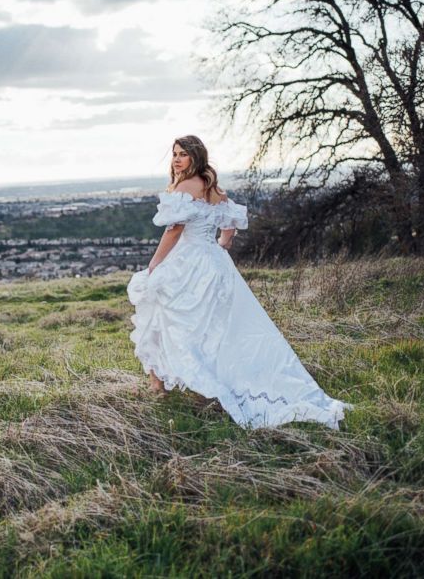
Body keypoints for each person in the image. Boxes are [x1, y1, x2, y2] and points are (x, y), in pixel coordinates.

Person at [127, 135, 351, 430]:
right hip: (216, 265)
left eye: (183, 154)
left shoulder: (185, 186)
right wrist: (218, 246)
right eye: (175, 154)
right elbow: (230, 228)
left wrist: (155, 265)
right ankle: (173, 383)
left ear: (196, 156)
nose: (177, 160)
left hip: (189, 263)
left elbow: (174, 229)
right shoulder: (214, 189)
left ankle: (160, 388)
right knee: (219, 328)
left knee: (163, 313)